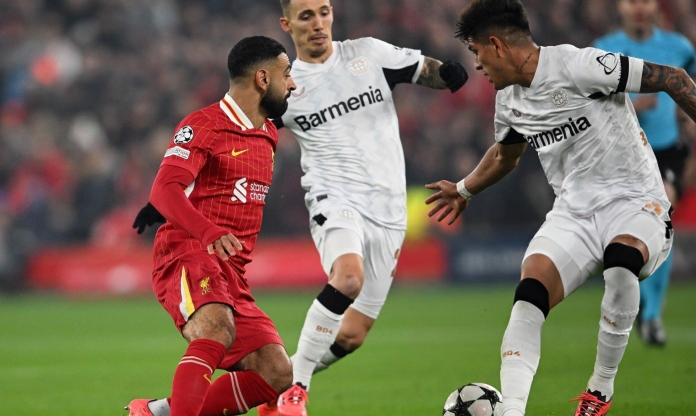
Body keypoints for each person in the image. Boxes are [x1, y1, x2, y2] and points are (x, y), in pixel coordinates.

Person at [425, 0, 696, 415]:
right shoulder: (510, 101)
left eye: (477, 52)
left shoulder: (579, 65)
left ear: (496, 45)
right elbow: (505, 157)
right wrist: (464, 190)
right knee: (529, 292)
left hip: (636, 203)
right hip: (573, 213)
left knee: (621, 261)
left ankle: (599, 391)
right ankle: (512, 409)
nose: (477, 65)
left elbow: (672, 78)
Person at [254, 1, 468, 414]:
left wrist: (448, 74)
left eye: (324, 12)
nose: (318, 23)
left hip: (388, 211)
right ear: (287, 24)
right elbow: (239, 128)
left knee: (352, 334)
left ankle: (271, 395)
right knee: (348, 278)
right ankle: (296, 392)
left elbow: (424, 68)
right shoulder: (285, 86)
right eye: (306, 16)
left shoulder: (367, 53)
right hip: (335, 199)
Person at [125, 35, 297, 416]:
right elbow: (164, 188)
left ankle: (158, 412)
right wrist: (208, 230)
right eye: (288, 74)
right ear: (263, 79)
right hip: (189, 253)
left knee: (276, 372)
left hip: (231, 270)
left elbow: (202, 187)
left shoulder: (267, 132)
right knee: (216, 329)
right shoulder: (203, 125)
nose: (294, 84)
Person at [592, 0, 696, 346]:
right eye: (631, 1)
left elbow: (688, 89)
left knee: (663, 212)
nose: (638, 7)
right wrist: (634, 105)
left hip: (665, 148)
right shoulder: (602, 50)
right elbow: (589, 107)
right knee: (629, 231)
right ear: (619, 7)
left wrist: (686, 121)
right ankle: (632, 305)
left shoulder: (679, 47)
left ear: (655, 6)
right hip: (622, 151)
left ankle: (651, 315)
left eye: (645, 0)